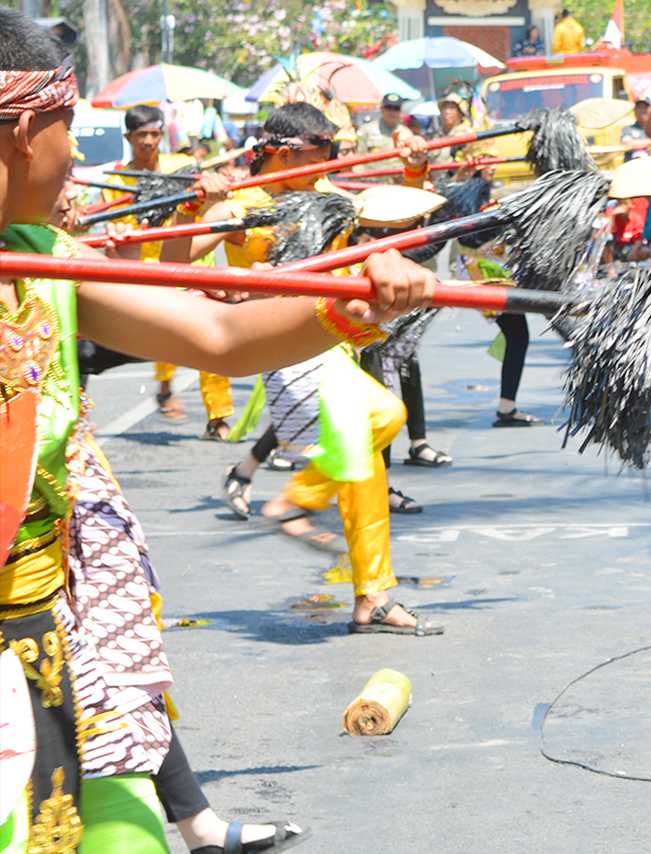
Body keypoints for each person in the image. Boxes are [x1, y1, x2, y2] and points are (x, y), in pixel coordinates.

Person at [0, 9, 432, 842]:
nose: (74, 159)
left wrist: (351, 310)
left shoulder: (43, 259)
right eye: (69, 130)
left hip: (34, 643)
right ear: (24, 132)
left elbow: (219, 336)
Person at [166, 103, 437, 633]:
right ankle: (293, 502)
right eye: (327, 150)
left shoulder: (332, 202)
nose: (335, 161)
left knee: (366, 472)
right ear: (289, 153)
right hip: (284, 351)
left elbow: (397, 231)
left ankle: (372, 597)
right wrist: (191, 211)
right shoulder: (245, 205)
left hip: (337, 347)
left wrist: (413, 171)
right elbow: (175, 262)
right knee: (383, 415)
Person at [103, 104, 237, 436]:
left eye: (154, 134)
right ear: (128, 137)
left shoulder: (182, 168)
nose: (148, 141)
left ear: (162, 135)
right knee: (166, 338)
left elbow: (211, 194)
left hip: (195, 263)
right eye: (141, 135)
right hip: (150, 271)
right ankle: (164, 386)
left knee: (212, 341)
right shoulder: (118, 181)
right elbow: (123, 233)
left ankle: (218, 416)